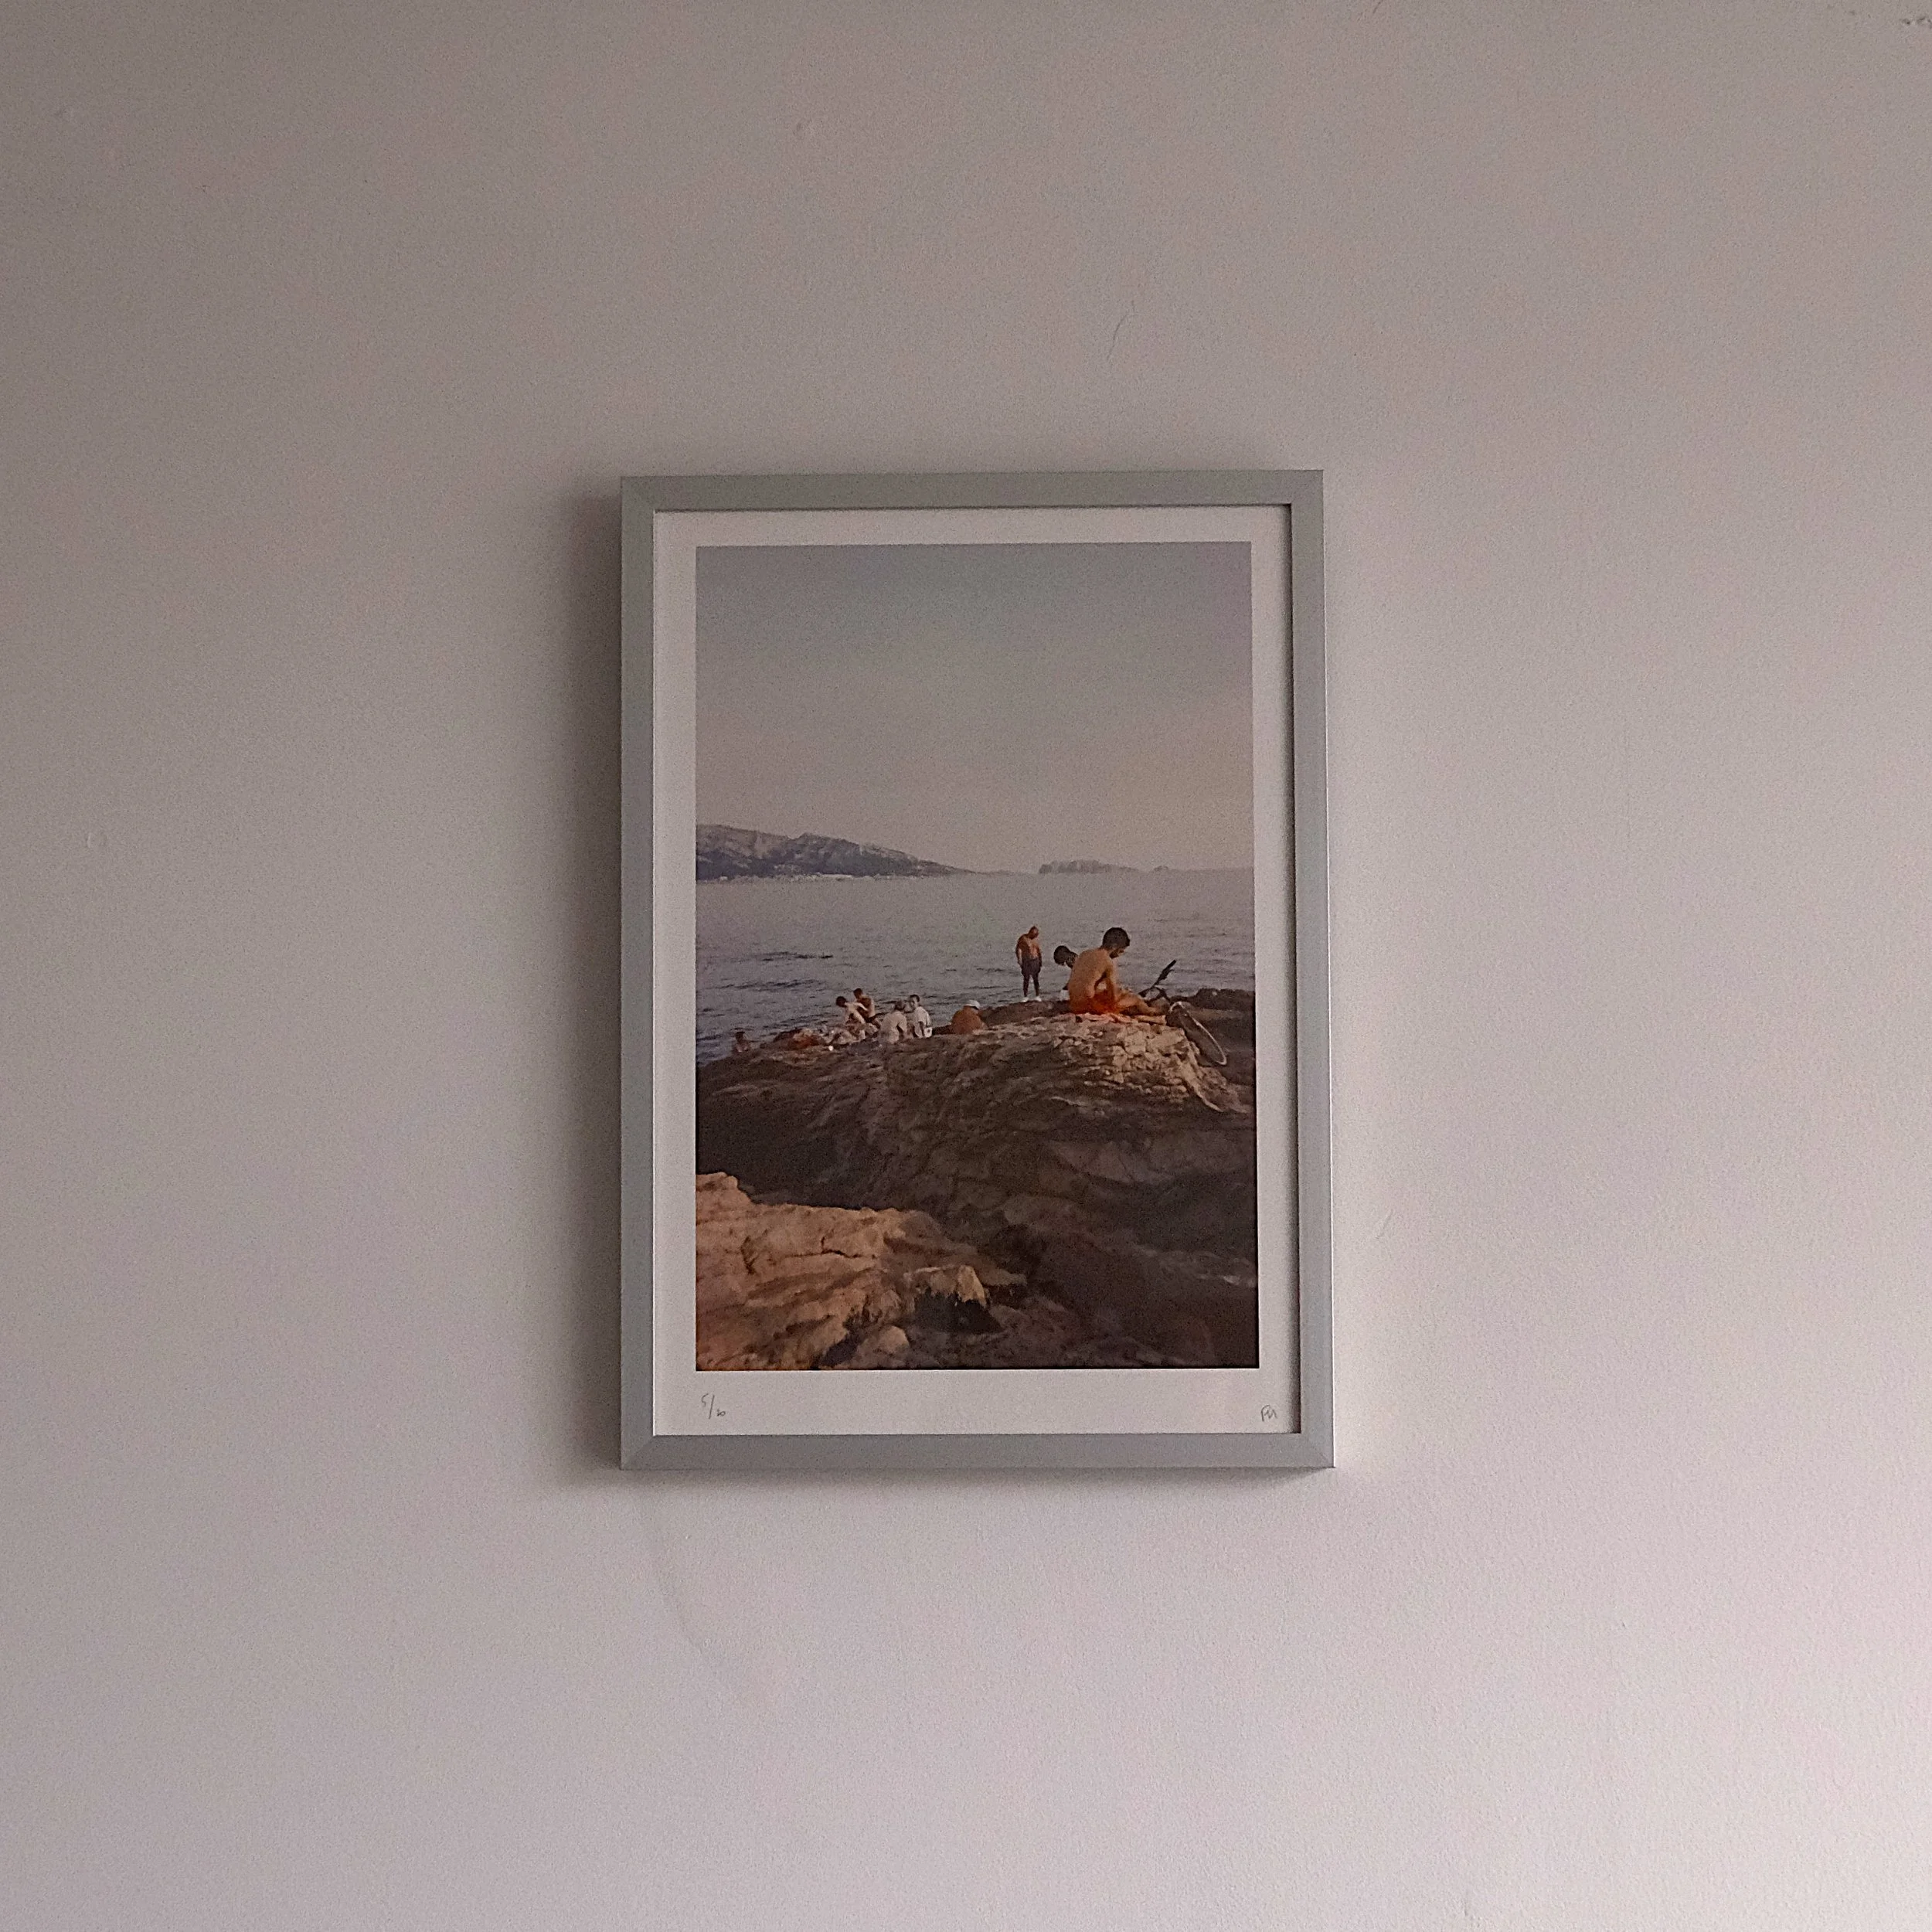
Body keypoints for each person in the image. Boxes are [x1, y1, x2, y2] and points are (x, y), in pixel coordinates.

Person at [1065, 927, 1163, 1022]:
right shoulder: (1108, 962)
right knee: (1135, 999)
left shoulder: (1084, 954)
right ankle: (1151, 1011)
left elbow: (1085, 982)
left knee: (1117, 996)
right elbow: (1113, 998)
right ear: (1115, 947)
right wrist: (1123, 993)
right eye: (1121, 951)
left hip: (1074, 1004)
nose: (1119, 955)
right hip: (1088, 1006)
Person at [1015, 925, 1043, 998]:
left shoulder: (1036, 940)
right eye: (1034, 934)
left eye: (1036, 935)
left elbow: (1039, 950)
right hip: (1027, 961)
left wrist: (1040, 961)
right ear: (1030, 932)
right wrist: (1019, 959)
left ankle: (1037, 995)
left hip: (1035, 960)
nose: (1035, 936)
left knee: (1036, 979)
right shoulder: (1023, 938)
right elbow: (1018, 949)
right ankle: (1025, 996)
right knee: (1026, 979)